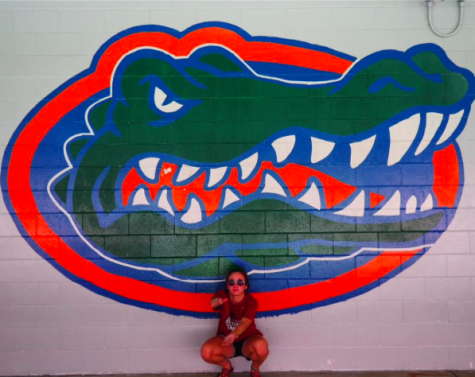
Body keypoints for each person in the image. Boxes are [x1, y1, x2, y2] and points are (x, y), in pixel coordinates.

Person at [201, 268, 269, 377]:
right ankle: (227, 366)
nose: (235, 285)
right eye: (231, 282)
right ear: (227, 285)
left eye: (240, 282)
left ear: (245, 286)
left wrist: (233, 335)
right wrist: (215, 302)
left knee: (261, 348)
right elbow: (214, 301)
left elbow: (244, 323)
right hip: (226, 341)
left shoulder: (251, 302)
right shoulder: (223, 295)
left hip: (248, 341)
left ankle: (254, 369)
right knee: (206, 352)